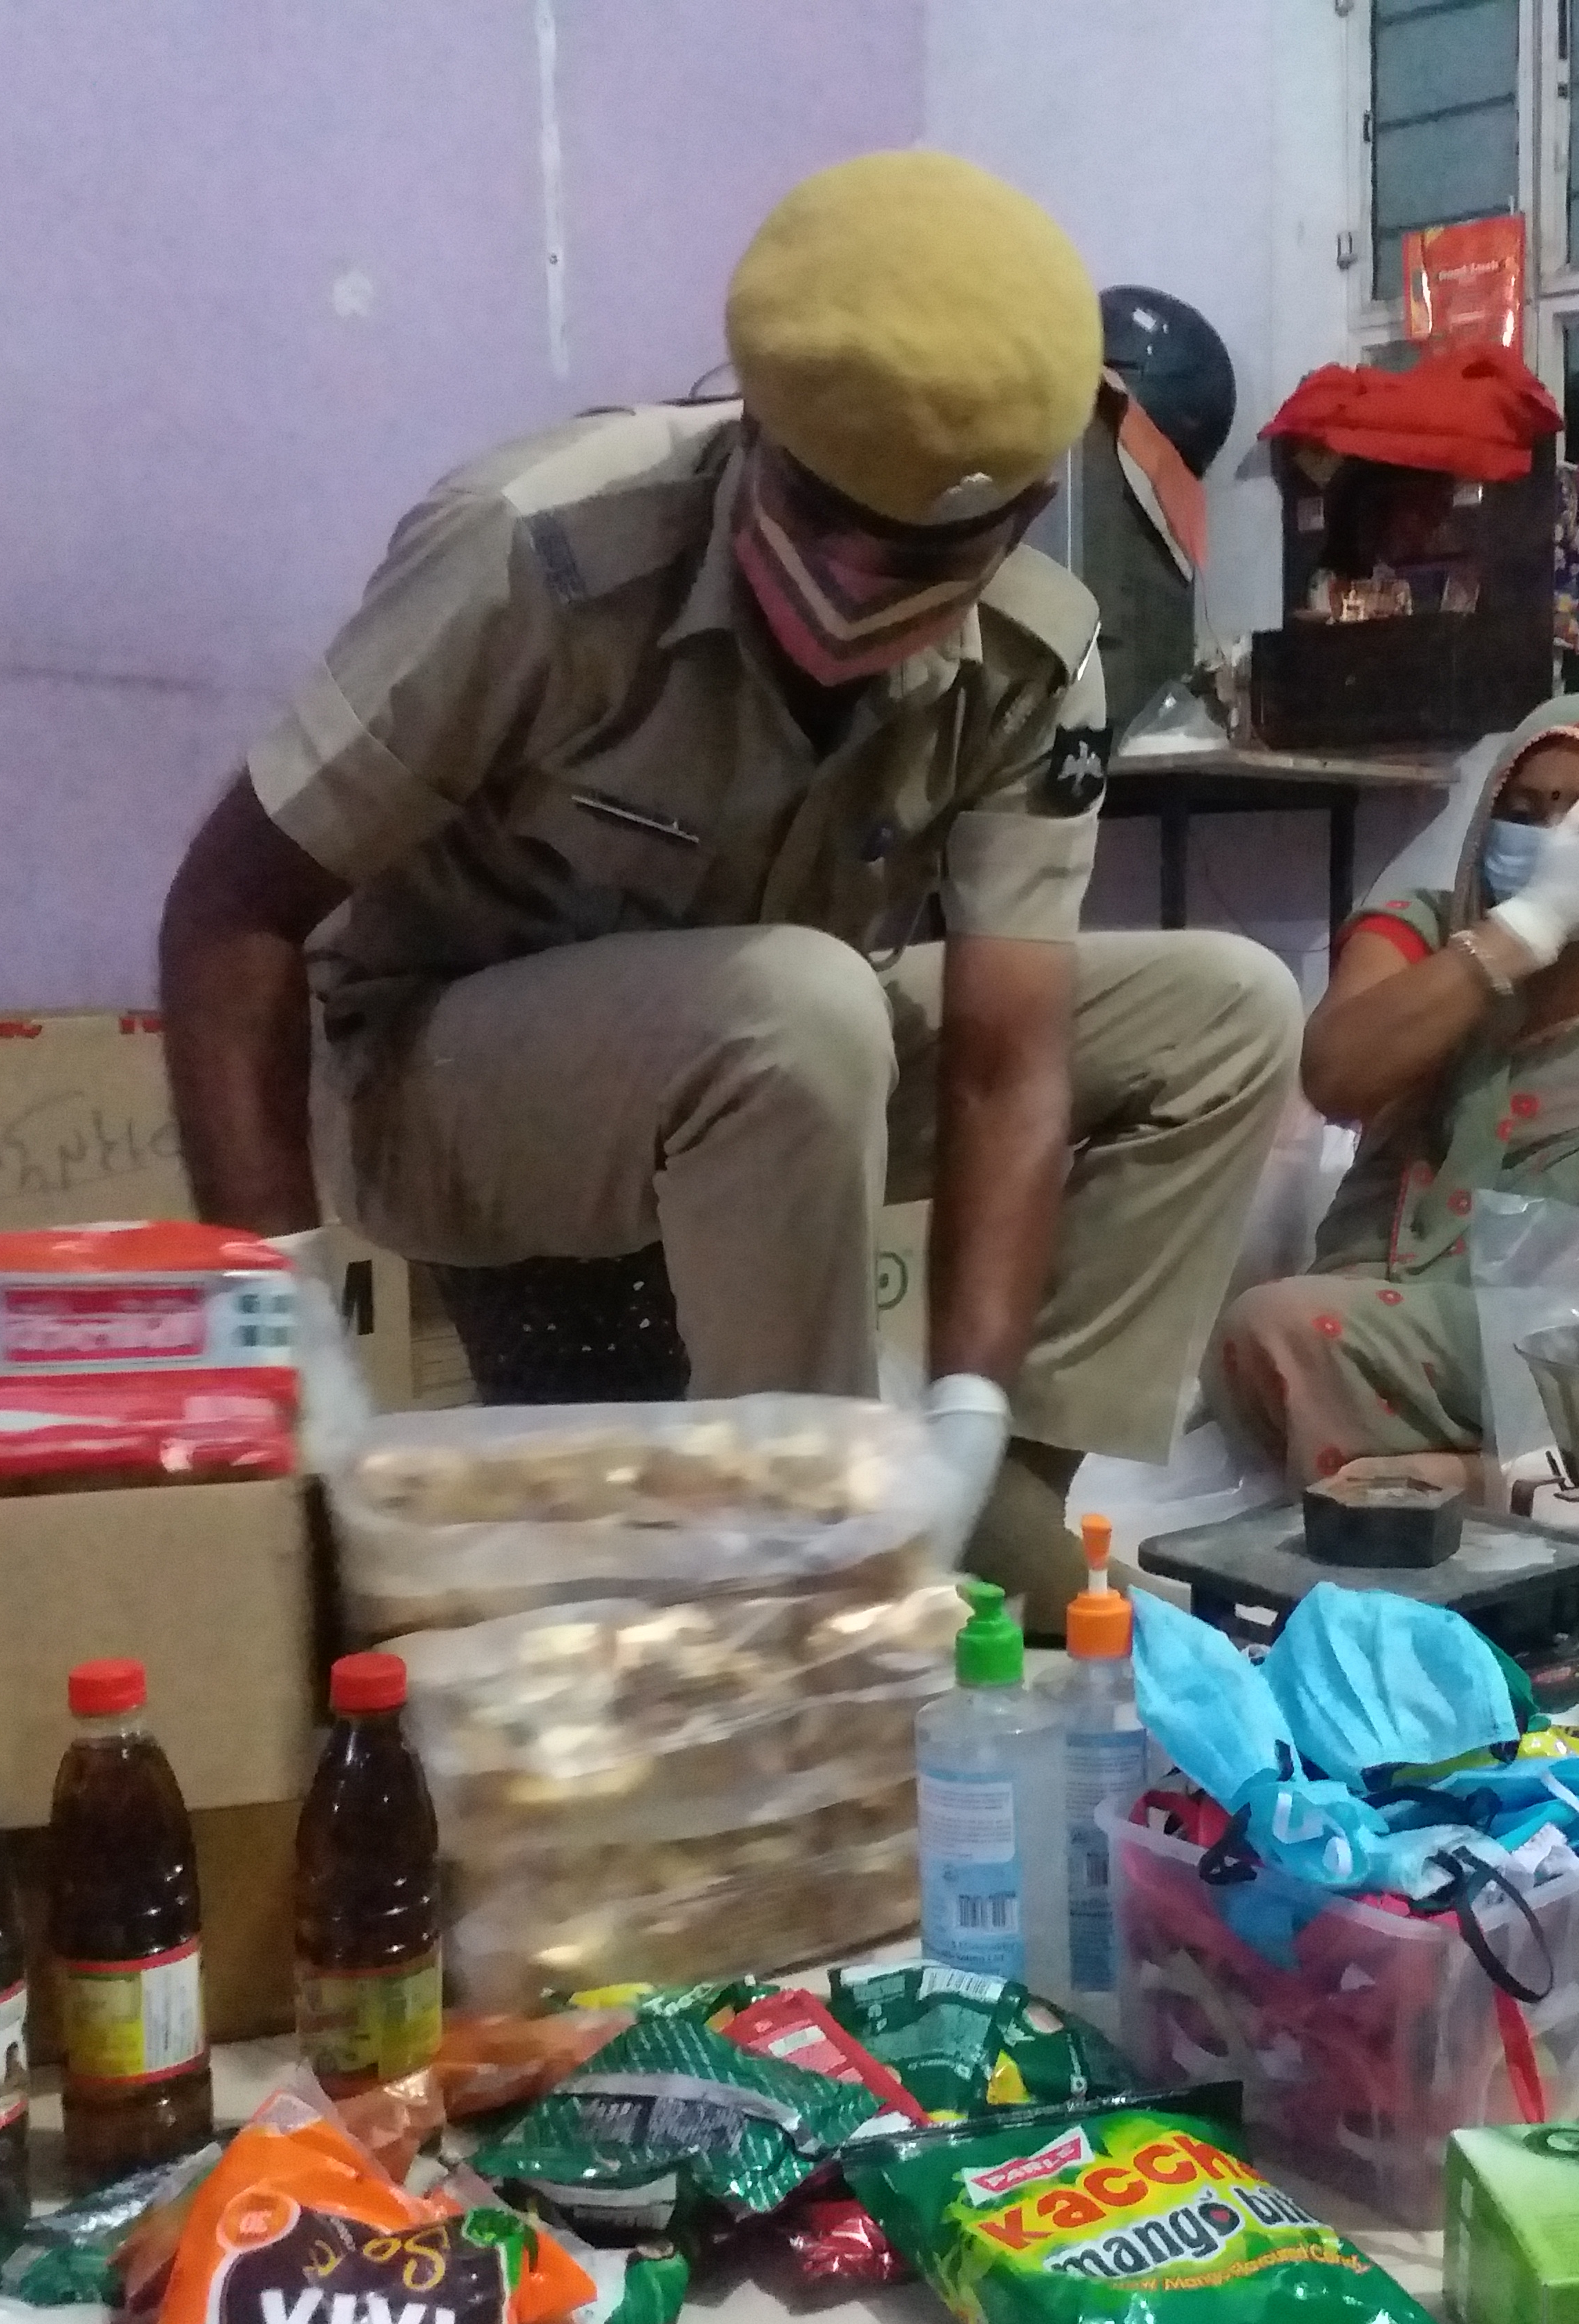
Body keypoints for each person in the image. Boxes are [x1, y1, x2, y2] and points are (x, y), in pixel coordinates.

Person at [156, 152, 1299, 1621]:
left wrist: (963, 1408)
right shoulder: (541, 551)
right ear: (753, 423)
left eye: (919, 559)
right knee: (799, 1003)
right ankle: (816, 1576)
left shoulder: (1029, 649)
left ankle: (988, 1509)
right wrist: (282, 1322)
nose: (849, 586)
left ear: (1013, 522)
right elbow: (228, 911)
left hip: (775, 1065)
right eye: (816, 517)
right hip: (447, 1082)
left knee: (1230, 1010)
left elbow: (1014, 1062)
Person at [1212, 694, 1579, 1488]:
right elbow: (1335, 1075)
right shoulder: (1422, 932)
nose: (1556, 834)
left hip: (1553, 1351)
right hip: (1367, 1302)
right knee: (1265, 1338)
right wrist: (1524, 929)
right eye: (1523, 810)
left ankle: (1482, 1484)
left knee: (1279, 1329)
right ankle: (1492, 1484)